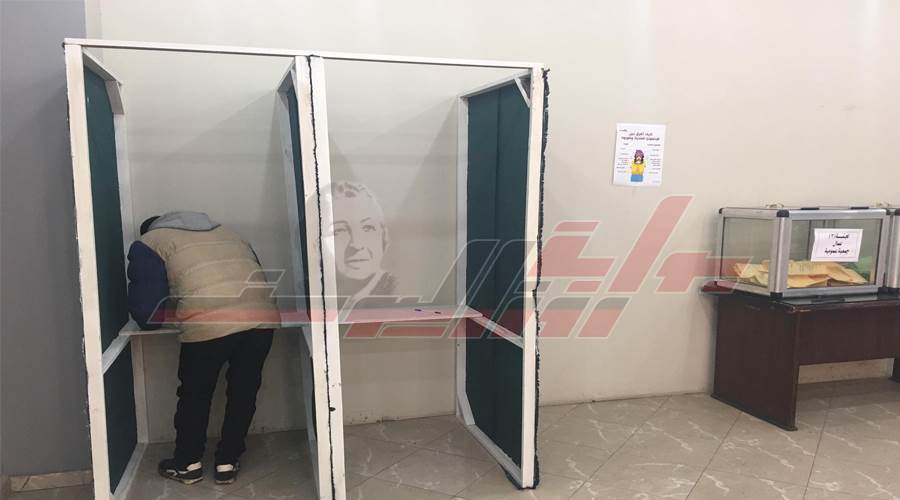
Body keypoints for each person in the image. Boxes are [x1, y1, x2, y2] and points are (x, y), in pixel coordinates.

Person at [126, 211, 280, 486]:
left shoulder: (150, 242)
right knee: (243, 391)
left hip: (208, 322)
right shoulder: (228, 232)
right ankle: (227, 462)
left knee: (195, 395)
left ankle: (187, 464)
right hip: (261, 319)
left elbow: (147, 313)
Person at [322, 181, 397, 307]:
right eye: (339, 231)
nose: (357, 244)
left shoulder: (396, 296)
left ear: (384, 237)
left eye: (367, 228)